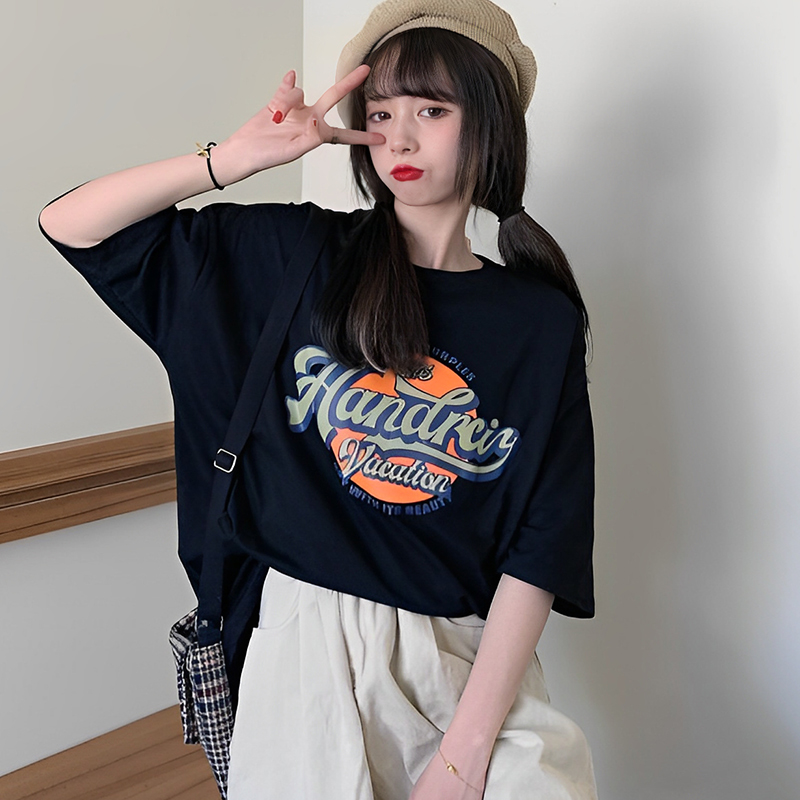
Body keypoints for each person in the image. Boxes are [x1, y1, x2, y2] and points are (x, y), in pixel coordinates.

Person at [38, 0, 598, 797]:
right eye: (382, 113)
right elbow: (72, 225)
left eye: (432, 110)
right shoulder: (294, 256)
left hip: (462, 662)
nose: (399, 139)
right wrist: (231, 160)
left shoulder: (538, 319)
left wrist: (465, 754)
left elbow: (542, 543)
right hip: (303, 656)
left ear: (490, 124)